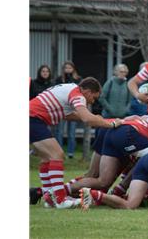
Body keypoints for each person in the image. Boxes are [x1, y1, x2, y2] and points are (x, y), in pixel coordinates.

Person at [29, 77, 123, 208]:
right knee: (57, 154)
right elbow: (86, 118)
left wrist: (97, 119)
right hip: (33, 118)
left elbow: (69, 115)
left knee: (47, 158)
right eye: (94, 98)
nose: (92, 101)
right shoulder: (78, 95)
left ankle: (49, 196)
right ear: (88, 92)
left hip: (33, 117)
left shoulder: (70, 89)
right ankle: (60, 200)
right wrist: (111, 124)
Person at [54, 61, 83, 158]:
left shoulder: (78, 79)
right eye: (66, 68)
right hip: (61, 108)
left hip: (73, 108)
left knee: (72, 132)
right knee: (60, 131)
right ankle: (59, 152)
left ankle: (71, 153)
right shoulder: (59, 79)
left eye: (70, 68)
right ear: (63, 69)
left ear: (73, 69)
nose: (68, 70)